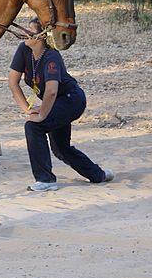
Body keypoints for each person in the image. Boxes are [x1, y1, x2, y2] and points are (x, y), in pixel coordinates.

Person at [8, 17, 114, 191]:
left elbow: (51, 91)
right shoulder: (24, 49)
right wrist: (28, 109)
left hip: (71, 100)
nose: (25, 33)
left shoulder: (51, 56)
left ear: (42, 36)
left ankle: (46, 180)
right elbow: (13, 82)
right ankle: (98, 175)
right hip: (55, 102)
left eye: (30, 31)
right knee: (60, 148)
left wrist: (41, 115)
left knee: (34, 127)